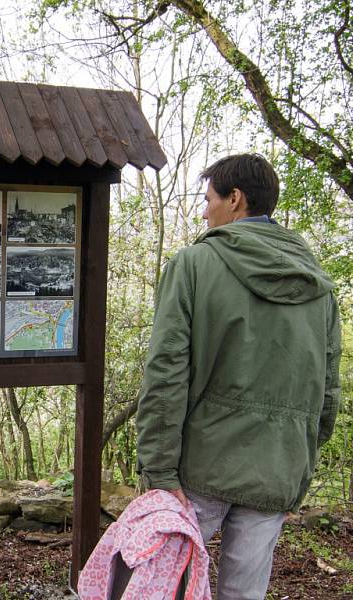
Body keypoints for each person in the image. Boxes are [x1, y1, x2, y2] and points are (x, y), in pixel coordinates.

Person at [135, 153, 341, 600]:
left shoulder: (192, 266)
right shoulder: (318, 285)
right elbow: (327, 392)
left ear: (235, 199)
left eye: (209, 198)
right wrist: (297, 469)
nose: (204, 210)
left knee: (162, 587)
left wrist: (160, 469)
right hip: (278, 467)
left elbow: (166, 374)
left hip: (199, 467)